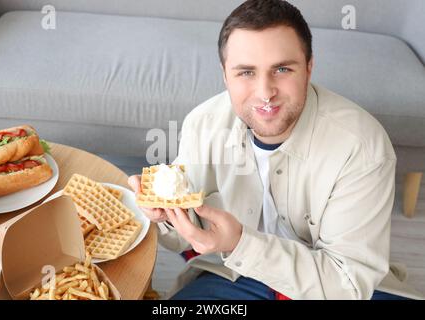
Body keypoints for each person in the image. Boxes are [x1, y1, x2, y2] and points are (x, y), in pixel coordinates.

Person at [128, 0, 415, 300]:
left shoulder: (362, 147)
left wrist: (241, 243)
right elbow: (185, 231)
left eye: (281, 69)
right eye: (246, 72)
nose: (265, 92)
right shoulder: (202, 124)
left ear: (308, 67)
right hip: (236, 276)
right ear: (225, 75)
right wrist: (163, 215)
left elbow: (347, 285)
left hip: (335, 284)